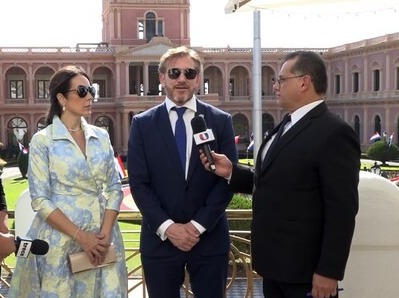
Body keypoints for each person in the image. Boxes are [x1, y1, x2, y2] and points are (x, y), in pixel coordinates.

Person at [200, 51, 360, 298]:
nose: (275, 86)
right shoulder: (287, 124)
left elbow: (342, 209)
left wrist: (329, 271)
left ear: (304, 82)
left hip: (306, 272)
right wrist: (231, 172)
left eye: (281, 80)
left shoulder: (334, 133)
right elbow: (274, 181)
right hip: (274, 266)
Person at [127, 46, 238, 298]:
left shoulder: (220, 121)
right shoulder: (142, 124)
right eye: (174, 72)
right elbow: (139, 184)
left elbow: (228, 180)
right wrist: (169, 228)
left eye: (189, 73)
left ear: (198, 79)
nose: (181, 79)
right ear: (162, 77)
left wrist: (197, 226)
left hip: (208, 240)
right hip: (160, 241)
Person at [8, 65, 127, 297]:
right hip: (59, 240)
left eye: (91, 90)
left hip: (104, 239)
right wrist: (83, 238)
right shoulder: (44, 141)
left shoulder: (101, 136)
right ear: (61, 97)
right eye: (82, 91)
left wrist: (101, 237)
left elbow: (114, 187)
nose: (90, 96)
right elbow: (40, 200)